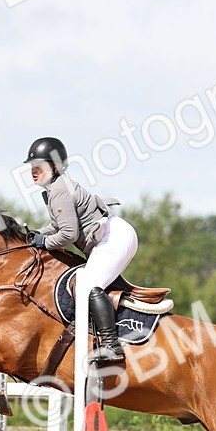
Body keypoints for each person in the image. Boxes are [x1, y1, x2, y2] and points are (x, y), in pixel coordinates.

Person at [23, 137, 137, 363]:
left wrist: (42, 242)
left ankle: (111, 345)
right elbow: (58, 226)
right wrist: (35, 234)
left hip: (114, 238)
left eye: (40, 166)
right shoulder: (54, 189)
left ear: (54, 167)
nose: (34, 171)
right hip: (111, 235)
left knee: (88, 285)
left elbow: (68, 235)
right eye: (32, 166)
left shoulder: (59, 191)